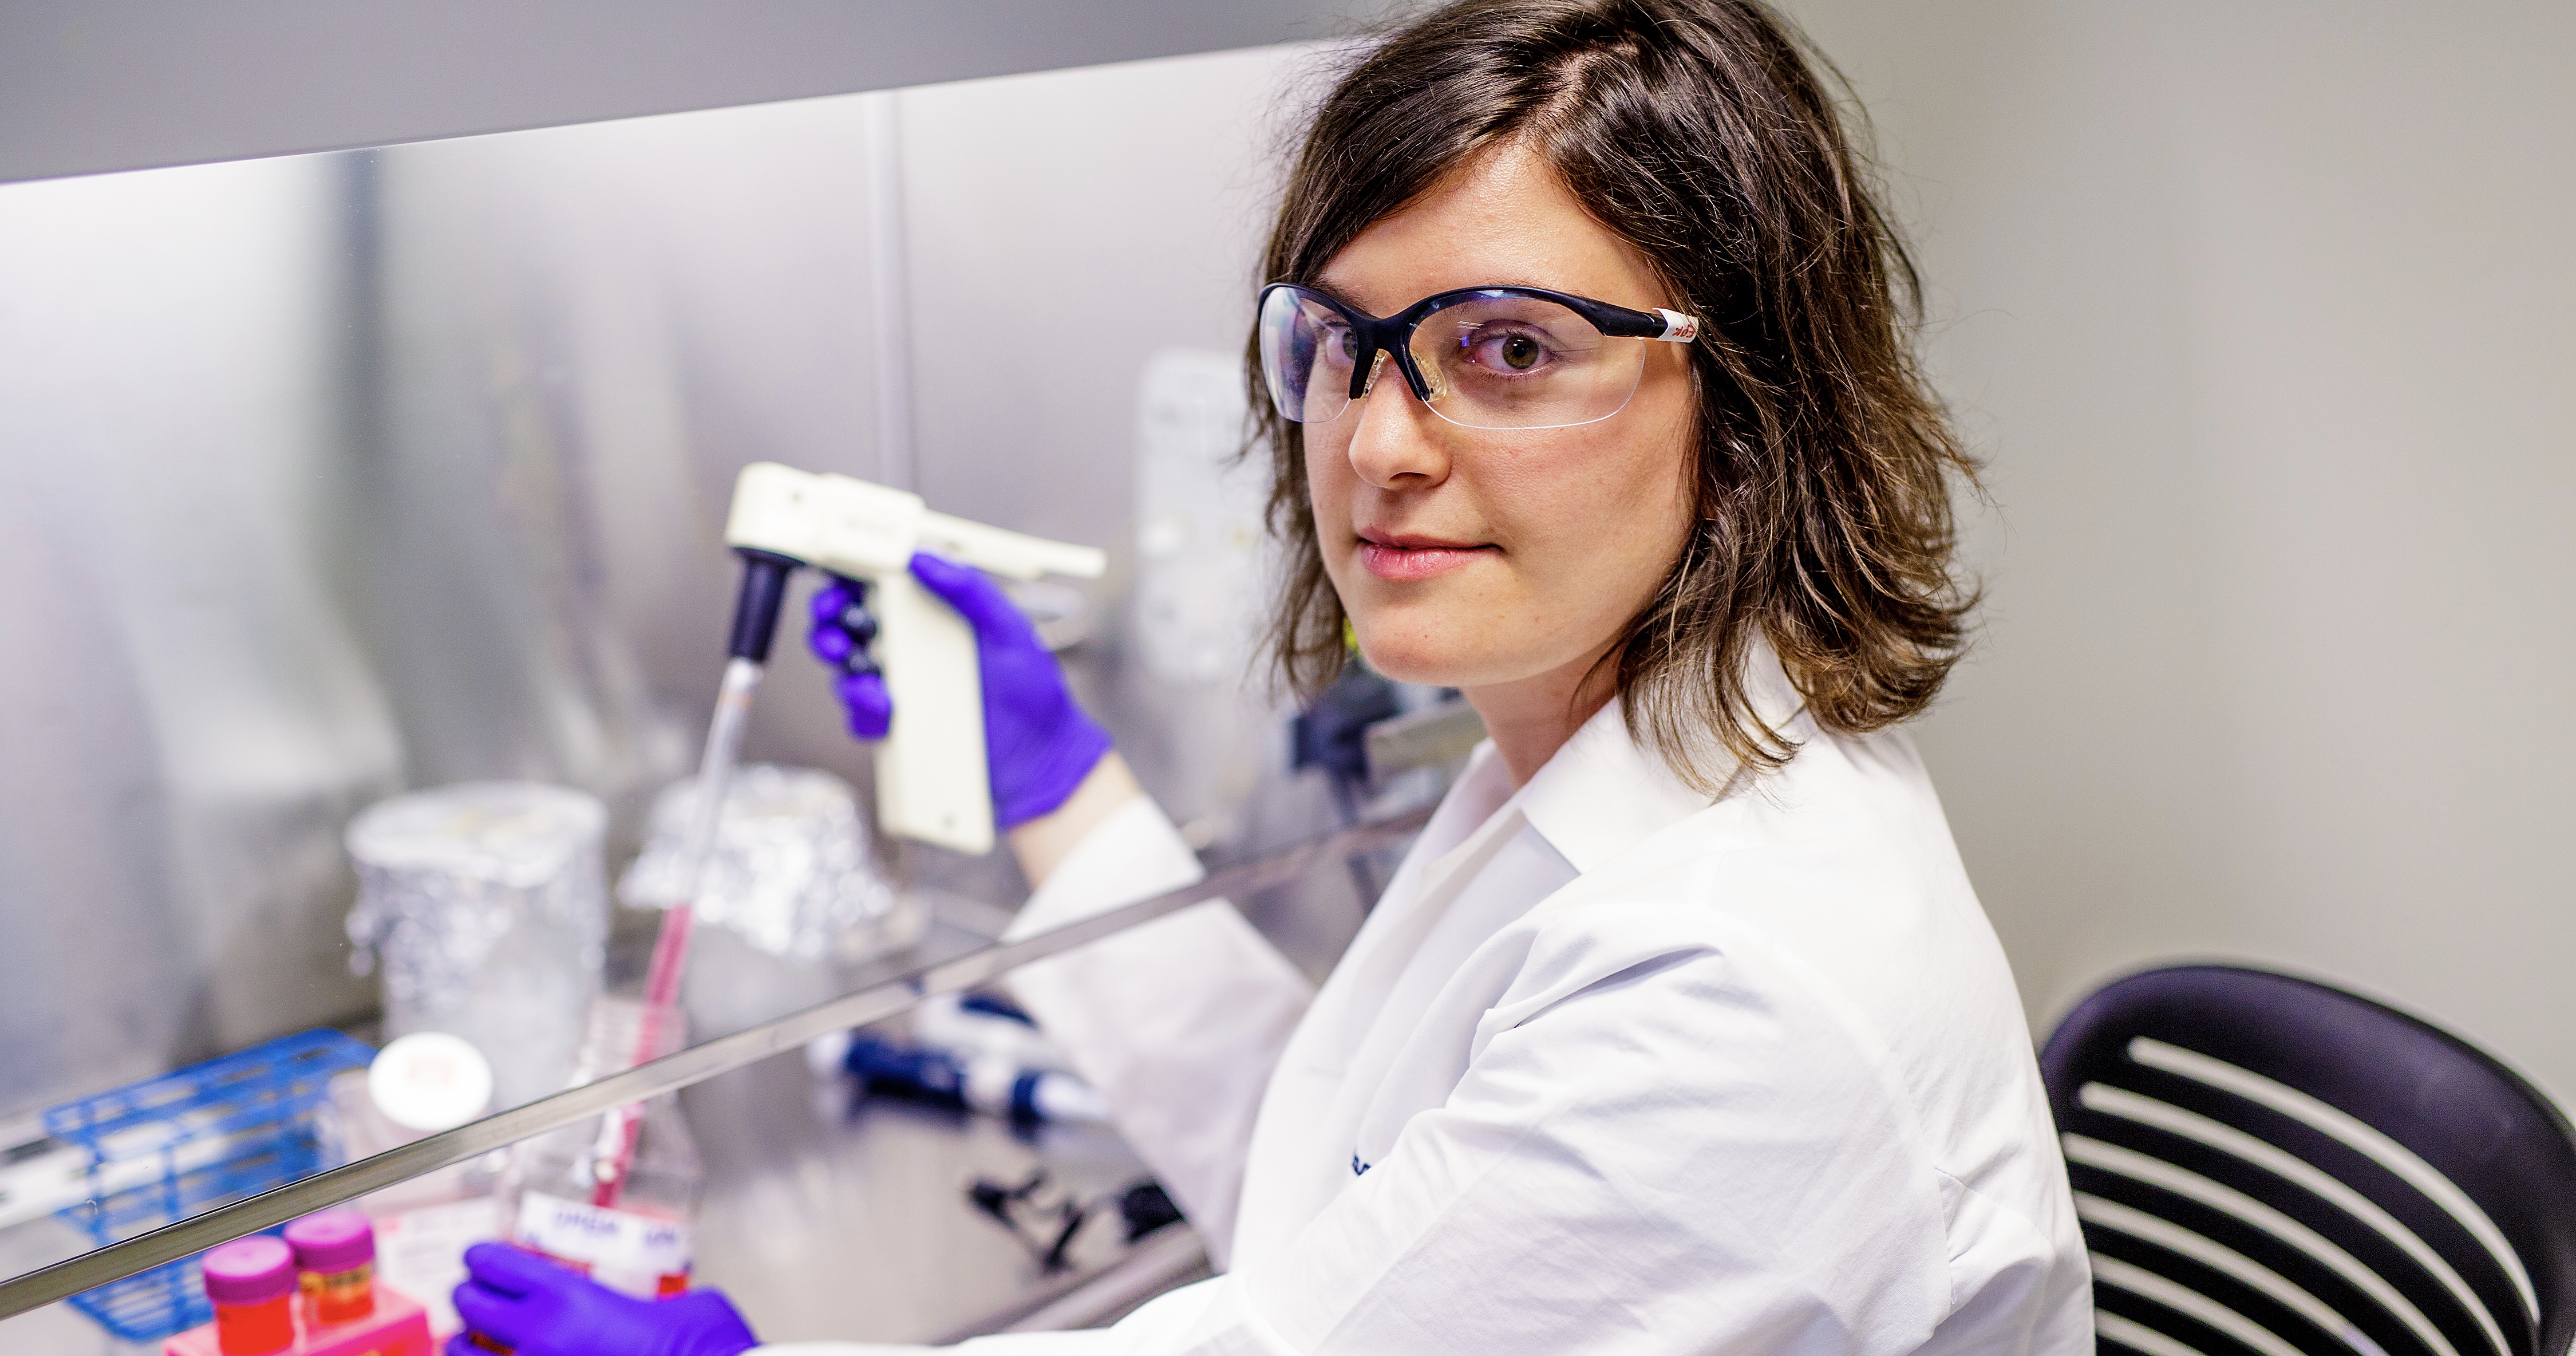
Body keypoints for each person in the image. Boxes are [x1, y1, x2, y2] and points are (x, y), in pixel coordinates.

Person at [447, 0, 2092, 1352]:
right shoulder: (1601, 751)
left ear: (1744, 420)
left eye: (1510, 348)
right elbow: (1347, 1200)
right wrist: (1059, 795)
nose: (1376, 445)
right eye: (1345, 344)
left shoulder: (1735, 989)